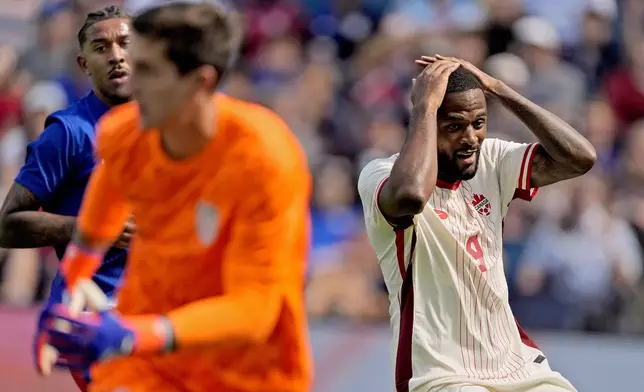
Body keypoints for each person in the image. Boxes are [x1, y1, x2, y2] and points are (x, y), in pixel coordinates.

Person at [39, 2, 312, 392]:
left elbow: (254, 309)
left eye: (148, 70)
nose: (133, 81)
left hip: (247, 373)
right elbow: (96, 226)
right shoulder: (125, 133)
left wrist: (137, 334)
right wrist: (66, 294)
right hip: (146, 365)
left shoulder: (265, 159)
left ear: (200, 82)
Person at [357, 55, 596, 392]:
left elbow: (579, 158)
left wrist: (499, 90)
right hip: (441, 375)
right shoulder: (380, 177)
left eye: (479, 122)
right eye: (454, 126)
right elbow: (411, 195)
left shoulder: (492, 162)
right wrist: (424, 105)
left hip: (518, 366)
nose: (471, 137)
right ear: (424, 124)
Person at [0, 6, 135, 391]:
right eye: (101, 47)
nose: (116, 55)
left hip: (155, 311)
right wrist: (91, 229)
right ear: (84, 64)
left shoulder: (163, 130)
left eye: (126, 44)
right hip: (96, 312)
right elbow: (7, 226)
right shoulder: (68, 134)